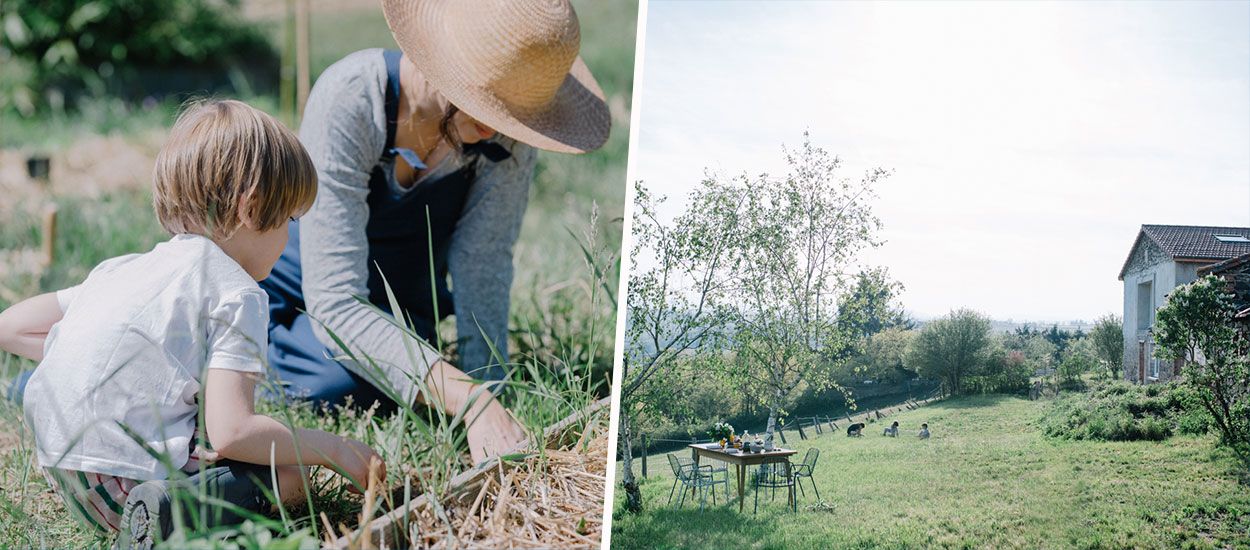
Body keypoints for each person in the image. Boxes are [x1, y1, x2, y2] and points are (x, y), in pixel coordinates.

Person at [0, 100, 384, 547]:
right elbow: (233, 431)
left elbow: (10, 327)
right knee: (293, 476)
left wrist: (97, 357)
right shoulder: (238, 293)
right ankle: (171, 512)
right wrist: (331, 448)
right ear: (252, 208)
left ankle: (154, 503)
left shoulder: (123, 268)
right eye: (290, 220)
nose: (288, 238)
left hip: (66, 470)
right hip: (129, 483)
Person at [255, 0, 610, 463]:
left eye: (510, 111)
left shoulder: (509, 134)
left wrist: (490, 389)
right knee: (326, 379)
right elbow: (335, 300)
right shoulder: (352, 99)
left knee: (372, 386)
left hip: (401, 296)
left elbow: (482, 260)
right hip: (300, 281)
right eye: (487, 104)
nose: (496, 129)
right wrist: (468, 399)